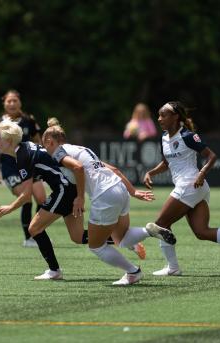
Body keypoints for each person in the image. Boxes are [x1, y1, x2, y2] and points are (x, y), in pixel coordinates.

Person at [41, 119, 176, 285]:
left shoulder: (59, 152)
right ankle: (148, 231)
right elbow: (114, 169)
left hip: (104, 195)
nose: (45, 150)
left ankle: (133, 272)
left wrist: (80, 197)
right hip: (118, 188)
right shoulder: (81, 149)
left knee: (96, 246)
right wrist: (132, 191)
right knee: (122, 238)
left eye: (44, 146)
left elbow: (77, 168)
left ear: (50, 141)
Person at [143, 102, 220, 276]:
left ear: (175, 117)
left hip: (191, 184)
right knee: (201, 231)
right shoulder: (164, 138)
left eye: (164, 115)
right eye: (159, 115)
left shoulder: (188, 136)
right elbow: (167, 163)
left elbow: (212, 156)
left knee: (160, 224)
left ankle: (173, 268)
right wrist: (150, 173)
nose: (159, 118)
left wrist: (202, 173)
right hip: (194, 188)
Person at [0, 121, 84, 281]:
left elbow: (26, 195)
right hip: (69, 188)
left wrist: (9, 207)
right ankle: (120, 237)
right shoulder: (26, 147)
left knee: (34, 228)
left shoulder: (22, 156)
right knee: (78, 236)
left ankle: (54, 270)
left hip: (64, 189)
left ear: (8, 141)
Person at [0, 90, 47, 247]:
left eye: (15, 101)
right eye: (9, 101)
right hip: (10, 169)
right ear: (4, 103)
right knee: (25, 198)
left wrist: (40, 159)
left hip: (30, 166)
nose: (12, 104)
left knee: (41, 198)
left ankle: (38, 233)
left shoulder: (28, 121)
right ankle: (28, 238)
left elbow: (37, 141)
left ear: (20, 102)